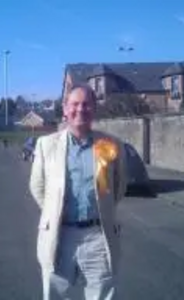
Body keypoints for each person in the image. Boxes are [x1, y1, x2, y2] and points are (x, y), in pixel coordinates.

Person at [29, 83, 128, 300]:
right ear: (65, 109)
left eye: (86, 104)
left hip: (98, 237)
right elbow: (37, 186)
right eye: (74, 104)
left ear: (94, 109)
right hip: (58, 234)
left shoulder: (110, 144)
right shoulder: (46, 145)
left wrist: (104, 209)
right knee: (55, 294)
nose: (80, 109)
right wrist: (53, 212)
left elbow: (119, 186)